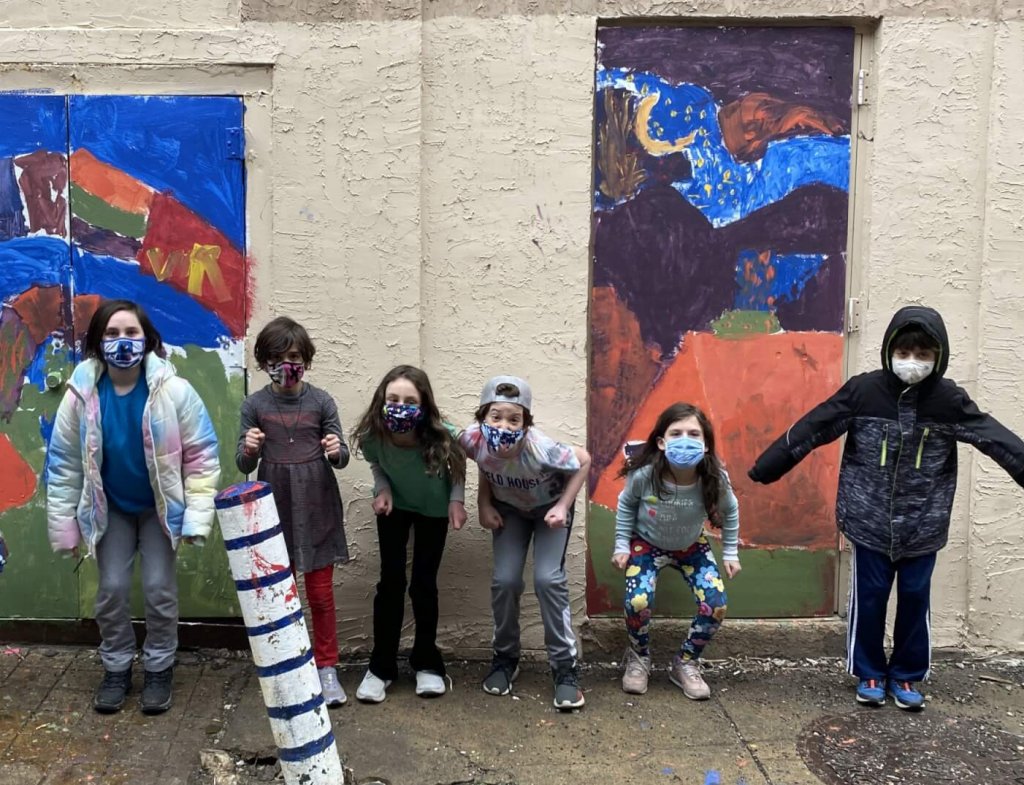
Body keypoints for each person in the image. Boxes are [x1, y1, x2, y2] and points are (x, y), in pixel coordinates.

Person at [749, 305, 1024, 711]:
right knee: (871, 596)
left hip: (923, 523)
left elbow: (995, 439)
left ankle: (908, 676)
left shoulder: (948, 401)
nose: (912, 362)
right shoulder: (865, 392)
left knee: (915, 598)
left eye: (923, 354)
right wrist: (768, 465)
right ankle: (870, 671)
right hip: (869, 519)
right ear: (890, 350)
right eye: (905, 352)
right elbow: (815, 425)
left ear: (938, 357)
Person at [46, 299, 220, 715]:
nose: (122, 342)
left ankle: (159, 666)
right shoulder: (80, 395)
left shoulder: (173, 391)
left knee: (160, 589)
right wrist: (66, 528)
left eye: (130, 333)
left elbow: (201, 455)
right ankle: (117, 666)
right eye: (111, 334)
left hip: (159, 511)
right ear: (96, 342)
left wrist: (196, 517)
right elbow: (64, 463)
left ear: (148, 340)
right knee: (112, 590)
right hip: (112, 510)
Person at [236, 316, 350, 706]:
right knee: (281, 594)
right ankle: (287, 665)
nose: (287, 365)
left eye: (295, 356)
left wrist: (336, 450)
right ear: (263, 361)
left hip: (317, 504)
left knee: (320, 594)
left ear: (307, 359)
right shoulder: (254, 405)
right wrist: (250, 447)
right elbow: (242, 464)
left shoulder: (321, 401)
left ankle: (327, 667)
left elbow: (342, 456)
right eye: (277, 357)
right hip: (274, 508)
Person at [459, 375, 591, 711]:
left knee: (548, 579)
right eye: (496, 416)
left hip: (549, 511)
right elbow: (483, 463)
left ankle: (564, 669)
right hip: (509, 511)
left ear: (526, 423)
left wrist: (563, 506)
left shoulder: (541, 448)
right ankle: (505, 658)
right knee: (505, 580)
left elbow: (585, 460)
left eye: (514, 419)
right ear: (483, 417)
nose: (504, 425)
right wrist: (481, 504)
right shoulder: (473, 439)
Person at [349, 365, 467, 703]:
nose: (401, 405)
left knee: (424, 585)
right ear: (381, 400)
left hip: (433, 510)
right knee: (390, 584)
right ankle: (381, 667)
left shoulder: (441, 433)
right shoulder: (374, 434)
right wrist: (381, 490)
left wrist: (456, 502)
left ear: (424, 404)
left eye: (410, 400)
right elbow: (377, 466)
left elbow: (459, 464)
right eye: (393, 399)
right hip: (394, 509)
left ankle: (427, 663)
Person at [613, 402, 740, 699]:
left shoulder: (714, 478)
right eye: (676, 432)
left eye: (694, 434)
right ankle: (639, 657)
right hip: (647, 543)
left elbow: (731, 511)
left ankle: (685, 663)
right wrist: (622, 545)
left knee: (716, 602)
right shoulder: (645, 475)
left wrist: (730, 552)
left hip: (691, 546)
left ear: (706, 444)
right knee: (638, 601)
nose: (685, 439)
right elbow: (626, 504)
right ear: (661, 441)